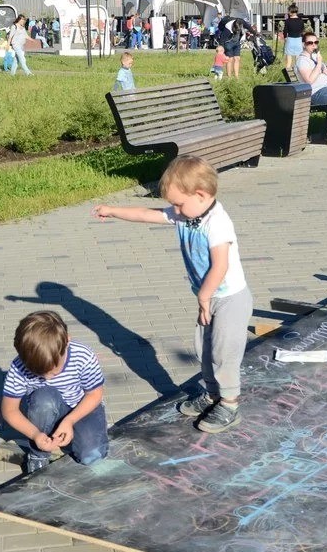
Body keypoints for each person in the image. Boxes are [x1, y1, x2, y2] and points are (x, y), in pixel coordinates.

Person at [93, 156, 253, 433]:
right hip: (209, 297)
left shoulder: (217, 223)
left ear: (201, 195)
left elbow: (221, 265)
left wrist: (204, 297)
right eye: (173, 204)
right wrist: (113, 210)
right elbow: (146, 214)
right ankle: (212, 393)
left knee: (224, 351)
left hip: (230, 299)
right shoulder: (187, 214)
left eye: (179, 203)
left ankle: (230, 403)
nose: (175, 209)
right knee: (205, 348)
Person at [0, 311, 109, 473]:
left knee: (92, 457)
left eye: (53, 371)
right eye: (39, 373)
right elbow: (9, 410)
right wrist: (36, 434)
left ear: (66, 342)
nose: (47, 377)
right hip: (48, 408)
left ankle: (80, 433)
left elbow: (94, 395)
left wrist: (70, 420)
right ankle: (38, 454)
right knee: (44, 398)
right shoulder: (19, 366)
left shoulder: (83, 355)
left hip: (82, 407)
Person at [218, 12, 252, 78]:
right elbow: (222, 40)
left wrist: (255, 33)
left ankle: (236, 76)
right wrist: (221, 49)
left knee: (237, 58)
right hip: (228, 43)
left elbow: (249, 27)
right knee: (229, 59)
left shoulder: (241, 22)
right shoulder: (227, 29)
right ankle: (229, 77)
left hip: (236, 43)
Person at [282, 4, 305, 71]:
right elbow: (302, 31)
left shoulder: (287, 21)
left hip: (290, 41)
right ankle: (299, 76)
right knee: (298, 61)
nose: (288, 12)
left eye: (288, 11)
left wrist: (285, 38)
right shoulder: (301, 21)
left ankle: (288, 76)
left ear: (291, 11)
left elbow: (285, 31)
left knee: (289, 62)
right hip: (298, 41)